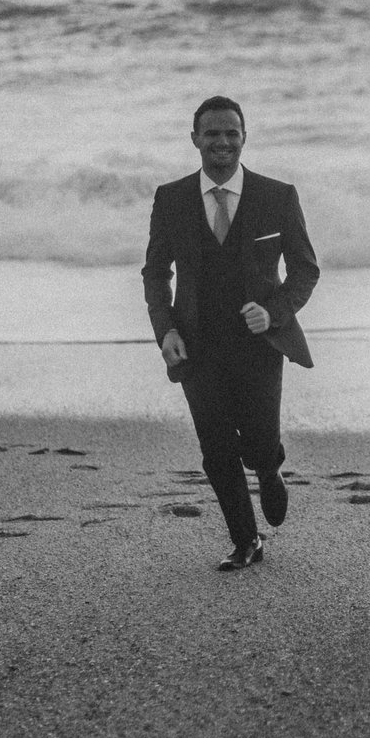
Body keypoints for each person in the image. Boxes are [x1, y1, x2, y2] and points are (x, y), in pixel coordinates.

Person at [143, 95, 320, 571]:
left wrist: (274, 312)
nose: (222, 141)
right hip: (196, 343)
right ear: (195, 138)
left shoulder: (277, 196)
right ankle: (246, 540)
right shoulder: (171, 198)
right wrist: (165, 332)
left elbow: (305, 271)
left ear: (244, 137)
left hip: (260, 344)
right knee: (216, 447)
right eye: (212, 133)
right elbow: (156, 273)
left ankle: (269, 465)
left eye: (231, 133)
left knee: (259, 439)